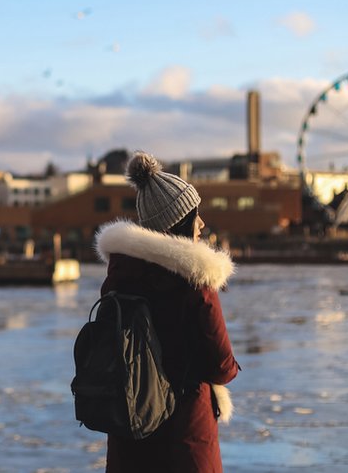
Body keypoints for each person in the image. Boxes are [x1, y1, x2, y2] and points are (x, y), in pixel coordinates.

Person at [94, 150, 239, 473]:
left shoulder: (119, 276)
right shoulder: (195, 280)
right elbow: (221, 366)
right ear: (179, 222)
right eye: (194, 214)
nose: (201, 223)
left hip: (128, 431)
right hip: (183, 436)